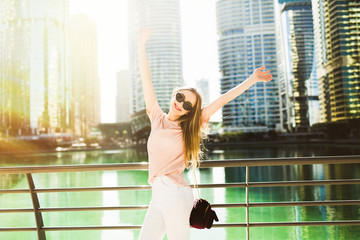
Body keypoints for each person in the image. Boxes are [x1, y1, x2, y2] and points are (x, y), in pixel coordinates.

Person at [137, 27, 272, 240]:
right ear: (174, 95)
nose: (181, 104)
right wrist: (141, 45)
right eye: (180, 98)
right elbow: (147, 80)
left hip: (175, 195)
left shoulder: (188, 127)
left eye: (188, 105)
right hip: (157, 196)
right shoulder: (156, 117)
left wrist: (251, 80)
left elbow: (222, 100)